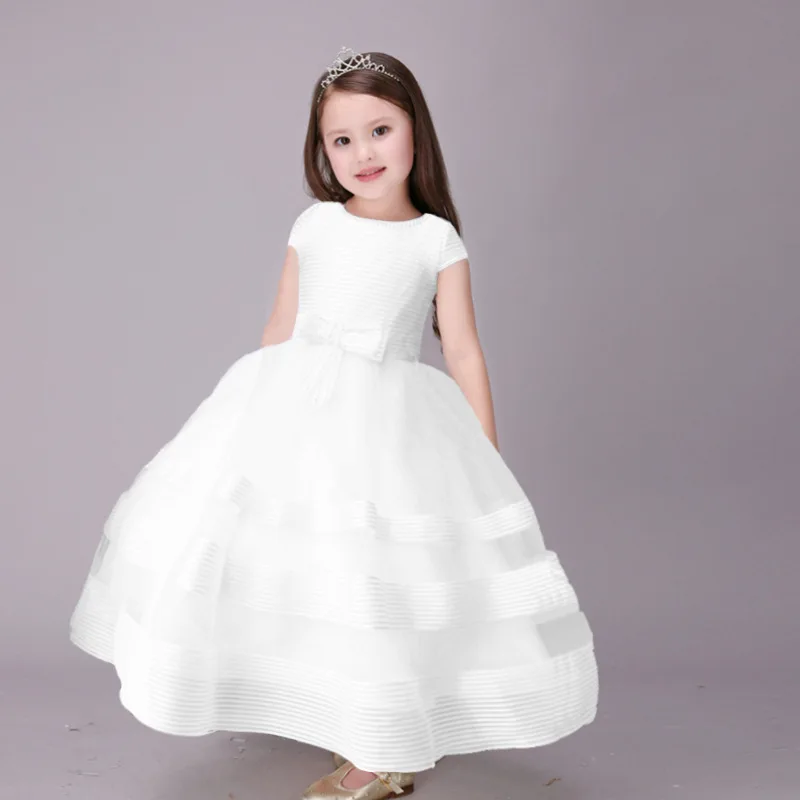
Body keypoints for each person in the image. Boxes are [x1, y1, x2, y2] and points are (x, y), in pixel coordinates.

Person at [68, 46, 599, 799]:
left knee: (379, 572)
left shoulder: (434, 240)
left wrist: (485, 453)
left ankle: (386, 749)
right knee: (312, 568)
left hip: (389, 428)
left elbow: (463, 351)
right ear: (322, 151)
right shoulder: (314, 225)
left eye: (380, 131)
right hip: (299, 410)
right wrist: (250, 422)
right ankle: (343, 708)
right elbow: (279, 327)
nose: (362, 154)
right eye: (341, 140)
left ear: (416, 130)